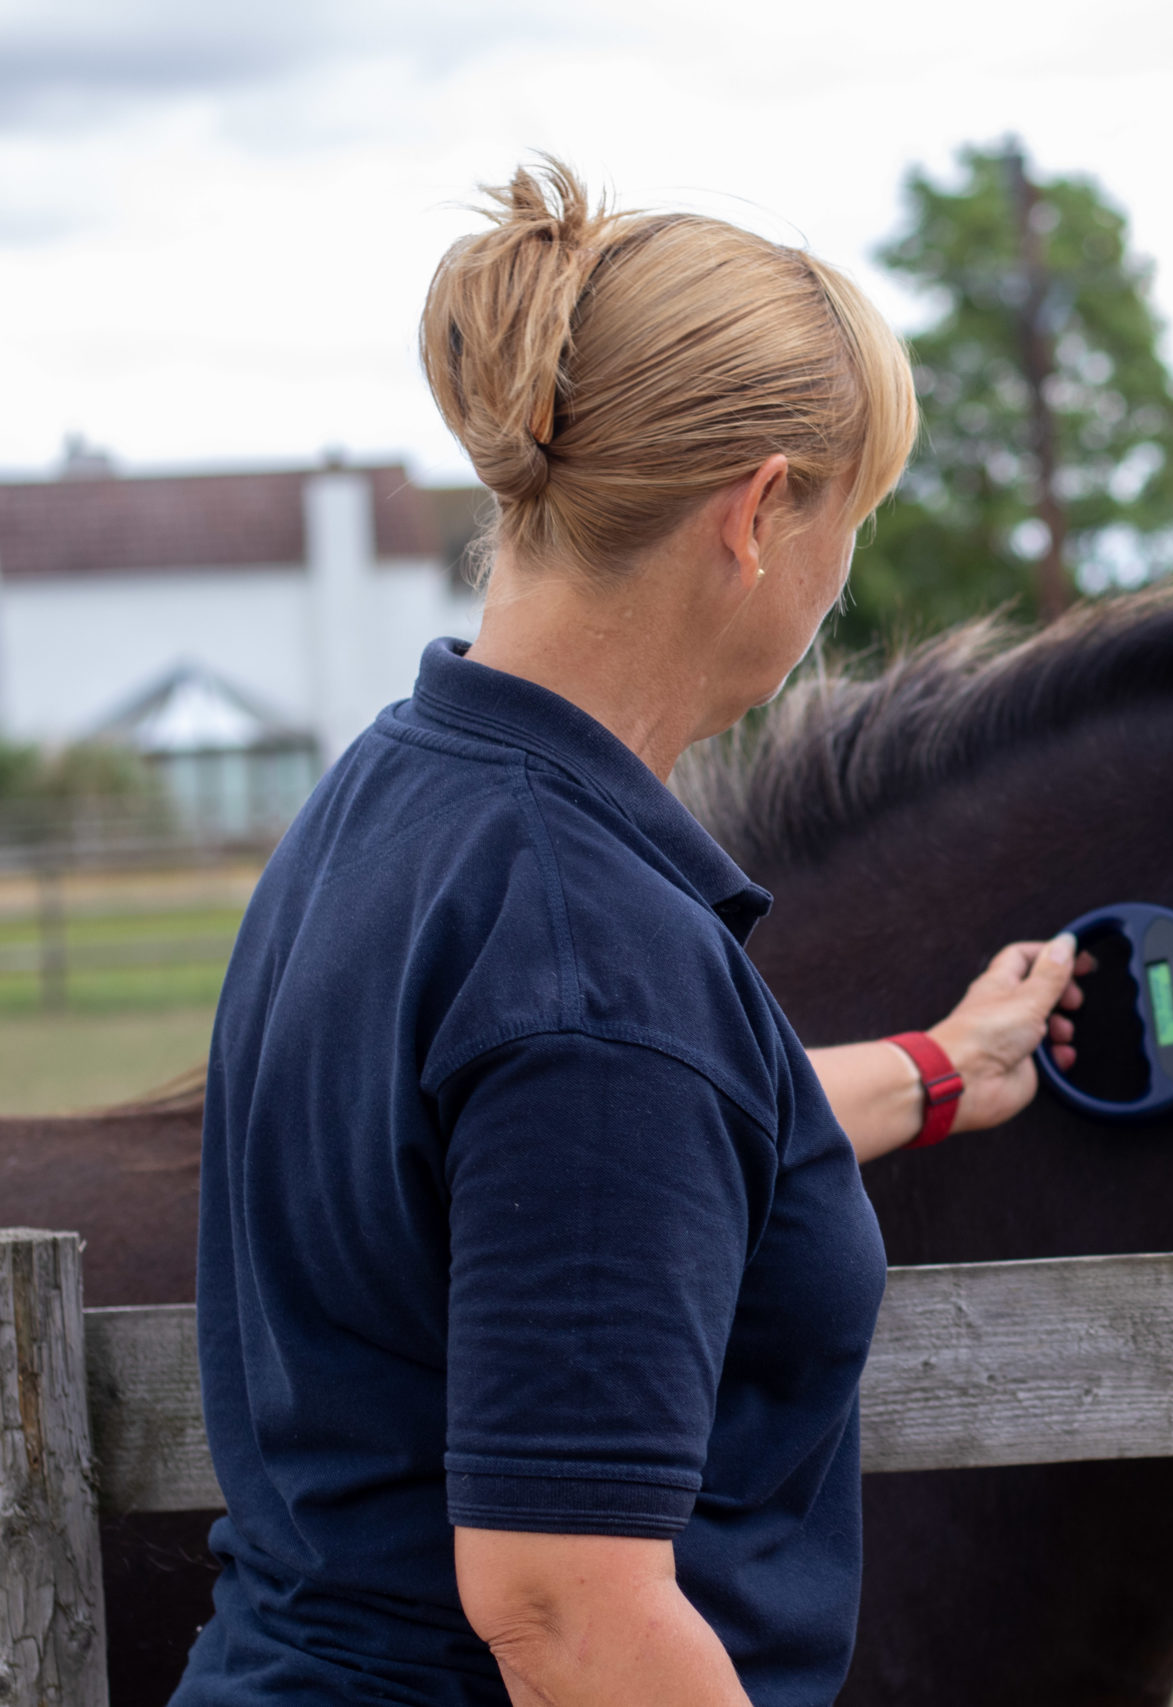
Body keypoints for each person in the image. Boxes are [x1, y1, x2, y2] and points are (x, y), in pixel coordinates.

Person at [174, 159, 1082, 1706]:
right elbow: (564, 1615)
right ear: (760, 515)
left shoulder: (401, 799)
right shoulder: (588, 953)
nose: (840, 575)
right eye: (848, 518)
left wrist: (942, 1067)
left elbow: (591, 1150)